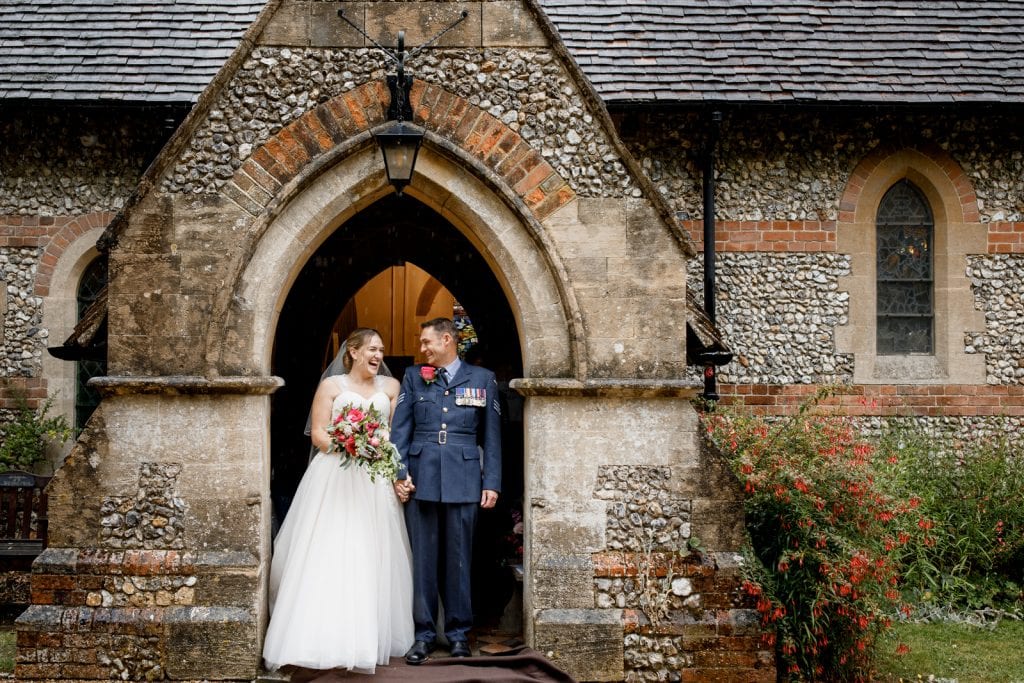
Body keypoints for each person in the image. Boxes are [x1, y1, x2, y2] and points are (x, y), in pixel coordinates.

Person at [262, 328, 415, 674]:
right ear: (354, 351)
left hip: (374, 479)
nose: (379, 355)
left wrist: (395, 473)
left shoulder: (391, 389)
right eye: (373, 349)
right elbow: (318, 433)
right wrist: (352, 443)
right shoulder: (332, 387)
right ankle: (321, 635)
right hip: (335, 475)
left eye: (382, 350)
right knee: (330, 548)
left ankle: (369, 635)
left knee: (371, 550)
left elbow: (396, 437)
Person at [391, 317, 502, 664]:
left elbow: (492, 436)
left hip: (465, 478)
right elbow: (400, 431)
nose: (422, 349)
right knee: (423, 560)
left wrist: (492, 482)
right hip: (421, 477)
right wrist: (400, 473)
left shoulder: (483, 379)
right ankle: (423, 634)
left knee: (458, 560)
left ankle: (457, 634)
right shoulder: (412, 376)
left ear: (447, 340)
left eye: (427, 342)